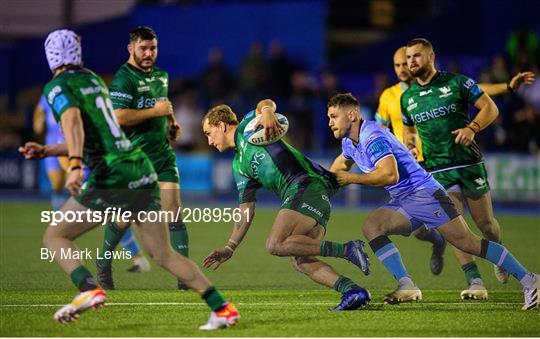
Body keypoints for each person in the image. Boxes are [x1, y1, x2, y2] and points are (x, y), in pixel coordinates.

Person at [19, 29, 239, 329]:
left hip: (112, 173)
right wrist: (48, 150)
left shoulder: (57, 86)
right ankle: (221, 308)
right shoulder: (94, 81)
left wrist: (72, 165)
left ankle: (89, 290)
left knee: (55, 236)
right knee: (162, 253)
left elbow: (72, 122)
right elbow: (99, 133)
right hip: (140, 167)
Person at [327, 92, 539, 310]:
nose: (330, 122)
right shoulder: (349, 142)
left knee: (468, 243)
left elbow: (390, 175)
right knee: (373, 226)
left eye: (334, 116)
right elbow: (341, 164)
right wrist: (322, 183)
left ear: (352, 115)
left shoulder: (372, 137)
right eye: (329, 117)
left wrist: (350, 179)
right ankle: (406, 285)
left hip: (425, 194)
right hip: (404, 198)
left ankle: (531, 280)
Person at [375, 47, 535, 280]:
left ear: (431, 57)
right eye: (401, 62)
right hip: (427, 169)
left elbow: (481, 93)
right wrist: (402, 148)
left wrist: (506, 89)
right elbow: (387, 129)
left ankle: (498, 253)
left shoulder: (452, 83)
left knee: (486, 224)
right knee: (447, 227)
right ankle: (474, 280)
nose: (406, 65)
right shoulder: (394, 97)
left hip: (466, 162)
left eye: (411, 59)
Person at [201, 100, 371, 311]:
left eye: (209, 133)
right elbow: (246, 210)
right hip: (310, 194)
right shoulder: (238, 165)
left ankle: (346, 249)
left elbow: (265, 103)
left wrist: (267, 111)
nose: (208, 141)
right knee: (300, 260)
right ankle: (353, 291)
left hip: (305, 184)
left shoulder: (247, 126)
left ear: (222, 126)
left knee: (275, 244)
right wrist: (230, 247)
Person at [97, 26, 189, 290]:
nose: (149, 53)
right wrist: (155, 112)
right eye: (143, 48)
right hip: (135, 159)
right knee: (123, 217)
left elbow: (162, 103)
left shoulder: (161, 76)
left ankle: (185, 277)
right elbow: (117, 117)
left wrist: (172, 121)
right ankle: (103, 265)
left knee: (174, 212)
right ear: (131, 49)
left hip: (163, 155)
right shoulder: (123, 78)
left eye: (153, 48)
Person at [33, 95, 69, 211]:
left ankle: (70, 213)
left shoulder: (74, 89)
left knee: (71, 180)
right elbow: (39, 114)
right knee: (57, 182)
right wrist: (39, 121)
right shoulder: (48, 93)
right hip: (52, 141)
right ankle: (58, 212)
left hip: (69, 138)